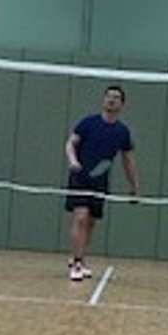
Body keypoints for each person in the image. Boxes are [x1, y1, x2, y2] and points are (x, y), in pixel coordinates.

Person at [63, 85, 141, 281]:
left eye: (116, 98)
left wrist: (134, 187)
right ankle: (78, 263)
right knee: (80, 217)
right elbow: (70, 143)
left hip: (100, 181)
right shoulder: (88, 123)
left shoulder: (122, 132)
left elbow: (128, 160)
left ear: (122, 104)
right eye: (108, 97)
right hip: (80, 176)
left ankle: (78, 258)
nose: (111, 100)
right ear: (103, 100)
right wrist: (73, 161)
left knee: (90, 222)